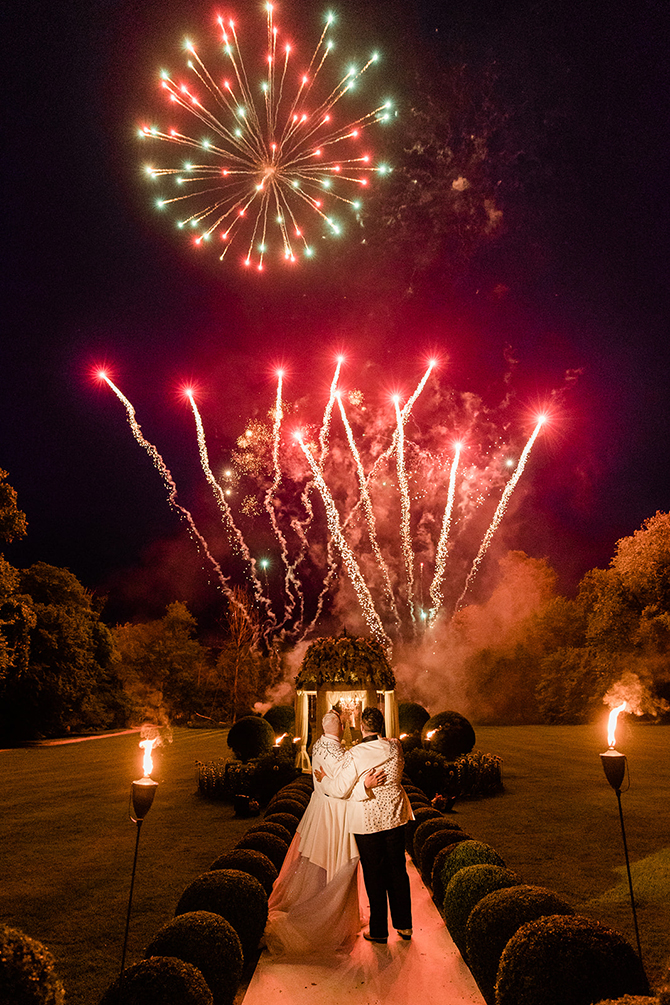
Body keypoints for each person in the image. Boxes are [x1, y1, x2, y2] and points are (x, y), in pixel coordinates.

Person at [264, 709, 382, 960]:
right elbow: (342, 789)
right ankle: (331, 920)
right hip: (335, 813)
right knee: (339, 864)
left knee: (316, 862)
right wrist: (364, 784)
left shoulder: (317, 745)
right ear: (339, 729)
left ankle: (322, 907)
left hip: (318, 809)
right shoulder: (342, 754)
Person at [315, 705, 413, 945]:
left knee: (374, 873)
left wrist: (325, 779)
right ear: (381, 726)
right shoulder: (395, 745)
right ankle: (405, 925)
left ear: (361, 727)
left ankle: (379, 930)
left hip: (367, 822)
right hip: (395, 815)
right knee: (398, 870)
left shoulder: (355, 754)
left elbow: (340, 789)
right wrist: (366, 785)